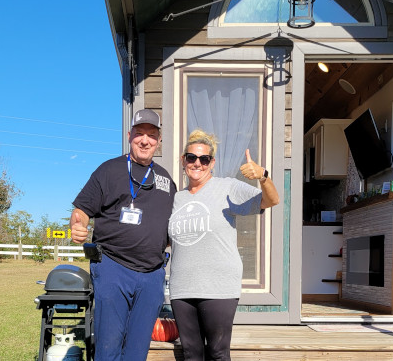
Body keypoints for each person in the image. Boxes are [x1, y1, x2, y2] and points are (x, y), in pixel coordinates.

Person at [69, 109, 176, 361]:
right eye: (139, 134)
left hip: (152, 275)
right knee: (109, 346)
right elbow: (81, 209)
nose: (145, 140)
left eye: (151, 135)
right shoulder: (109, 170)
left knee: (137, 350)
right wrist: (77, 224)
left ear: (159, 140)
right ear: (130, 136)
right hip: (113, 268)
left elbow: (174, 226)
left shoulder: (166, 180)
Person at [167, 129, 279, 361]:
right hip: (182, 287)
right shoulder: (177, 198)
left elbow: (271, 200)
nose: (197, 163)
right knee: (191, 354)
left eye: (204, 159)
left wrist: (263, 176)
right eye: (191, 158)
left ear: (212, 162)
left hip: (217, 286)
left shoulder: (226, 187)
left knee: (218, 353)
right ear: (183, 160)